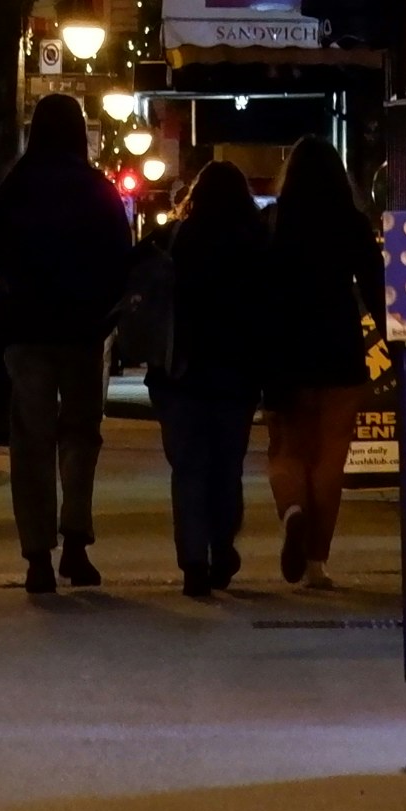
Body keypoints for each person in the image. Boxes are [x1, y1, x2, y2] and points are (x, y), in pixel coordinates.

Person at [0, 91, 131, 594]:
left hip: (25, 333)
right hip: (82, 331)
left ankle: (36, 556)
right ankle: (75, 540)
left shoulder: (14, 188)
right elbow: (120, 259)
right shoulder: (96, 189)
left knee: (31, 440)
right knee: (80, 435)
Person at [258, 137, 386, 586]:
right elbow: (376, 288)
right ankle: (316, 563)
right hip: (338, 343)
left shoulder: (271, 222)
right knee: (331, 457)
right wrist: (397, 340)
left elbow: (254, 290)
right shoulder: (350, 223)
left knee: (287, 447)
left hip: (284, 346)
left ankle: (292, 511)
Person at [154, 160, 273, 598]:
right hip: (237, 373)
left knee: (188, 468)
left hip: (182, 371)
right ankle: (222, 546)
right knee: (227, 466)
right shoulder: (257, 242)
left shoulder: (178, 239)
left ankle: (193, 562)